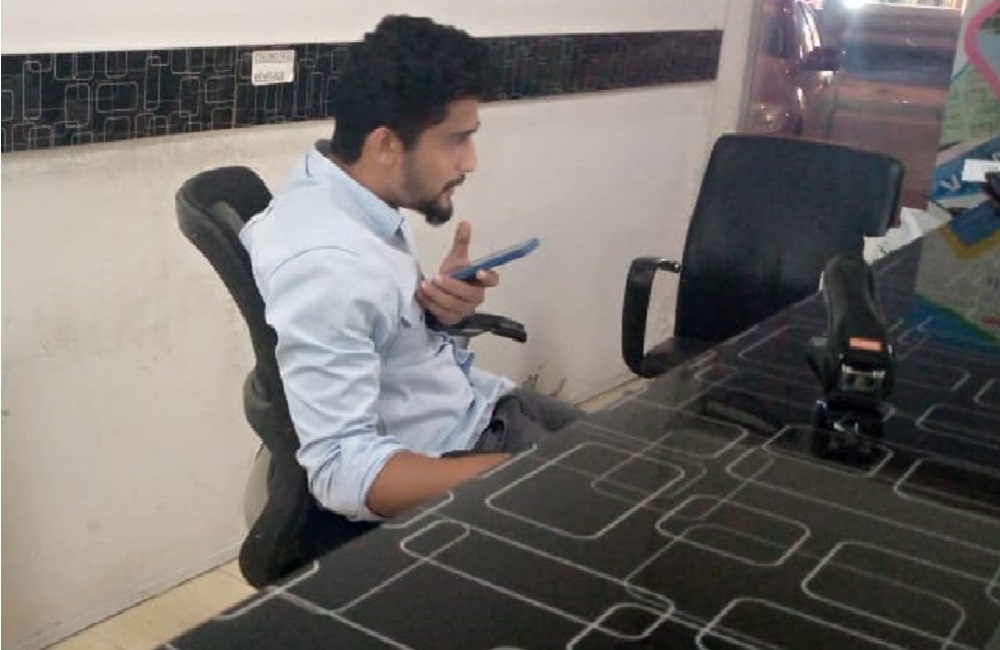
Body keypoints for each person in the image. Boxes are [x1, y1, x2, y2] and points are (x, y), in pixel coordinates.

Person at [240, 15, 582, 523]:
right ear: (385, 145)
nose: (471, 161)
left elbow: (374, 326)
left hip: (473, 401)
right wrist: (513, 475)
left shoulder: (339, 192)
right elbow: (340, 470)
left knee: (624, 446)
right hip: (454, 448)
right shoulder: (330, 266)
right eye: (456, 139)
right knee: (621, 490)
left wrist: (435, 310)